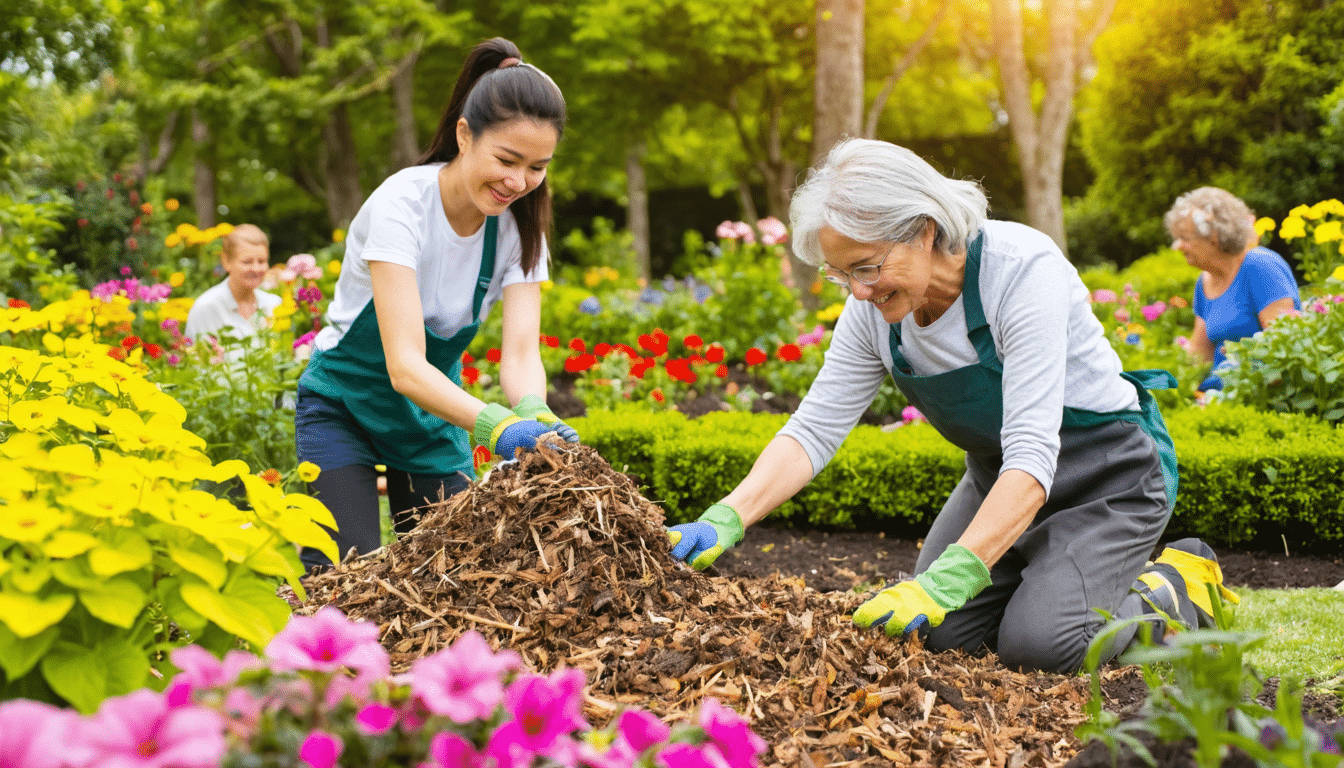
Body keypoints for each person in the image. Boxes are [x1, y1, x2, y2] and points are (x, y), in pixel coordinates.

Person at [666, 139, 1239, 674]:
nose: (858, 292)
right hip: (999, 480)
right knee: (941, 638)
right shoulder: (872, 313)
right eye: (840, 274)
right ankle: (1059, 584)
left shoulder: (1021, 271)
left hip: (1106, 480)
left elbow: (1034, 453)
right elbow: (815, 428)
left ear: (924, 229)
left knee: (1042, 645)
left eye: (866, 267)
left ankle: (1177, 586)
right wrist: (727, 517)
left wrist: (949, 580)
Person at [296, 37, 578, 572]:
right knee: (343, 569)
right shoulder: (402, 205)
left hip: (430, 418)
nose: (518, 183)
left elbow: (520, 355)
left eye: (538, 167)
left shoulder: (518, 229)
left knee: (456, 576)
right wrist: (498, 428)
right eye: (507, 159)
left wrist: (532, 412)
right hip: (344, 405)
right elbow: (404, 367)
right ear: (465, 134)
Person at [1164, 187, 1300, 393]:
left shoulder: (1260, 266)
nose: (1177, 246)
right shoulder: (1205, 281)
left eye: (1185, 238)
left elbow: (1283, 348)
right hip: (1218, 394)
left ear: (1214, 237)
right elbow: (1199, 356)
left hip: (1262, 394)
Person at [183, 224, 282, 343]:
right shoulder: (206, 308)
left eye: (261, 261)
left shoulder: (274, 304)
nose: (256, 269)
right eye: (247, 262)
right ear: (226, 261)